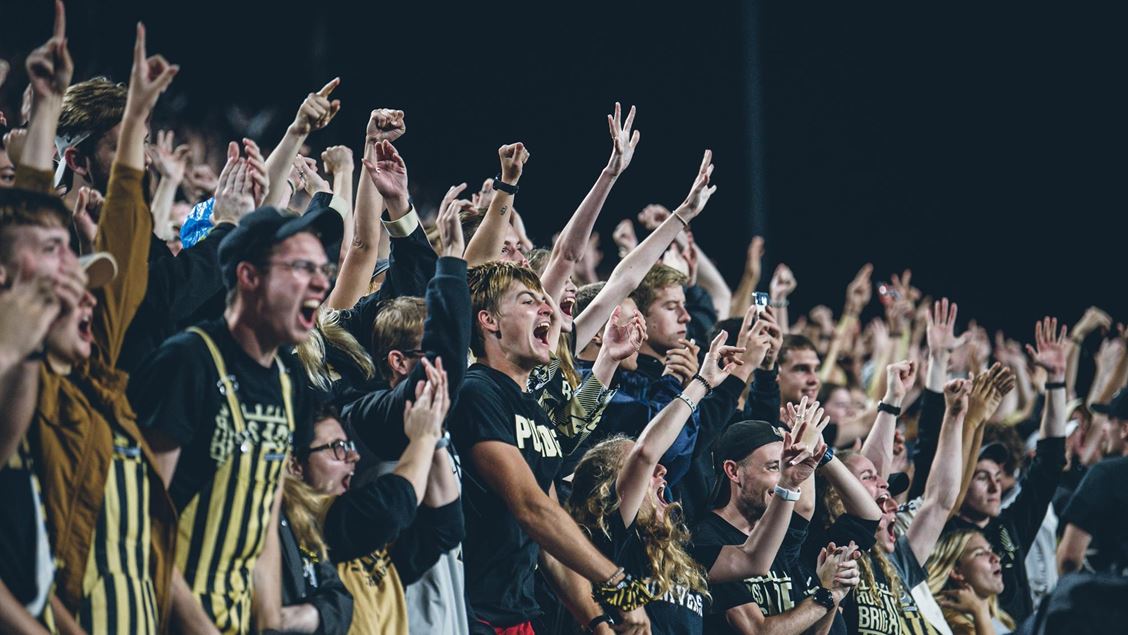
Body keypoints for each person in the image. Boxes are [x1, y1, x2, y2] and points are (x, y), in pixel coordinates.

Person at [131, 195, 342, 632]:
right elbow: (142, 520)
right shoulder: (188, 361)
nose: (321, 284)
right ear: (248, 276)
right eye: (301, 268)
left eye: (323, 270)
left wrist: (266, 623)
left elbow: (263, 513)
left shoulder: (288, 381)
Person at [450, 261, 649, 634]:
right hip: (469, 613)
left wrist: (597, 621)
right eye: (529, 301)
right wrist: (620, 585)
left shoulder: (535, 413)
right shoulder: (476, 393)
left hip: (517, 611)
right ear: (489, 321)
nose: (548, 309)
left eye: (546, 302)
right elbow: (531, 507)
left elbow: (551, 541)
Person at [294, 364, 462, 635]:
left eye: (349, 446)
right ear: (296, 466)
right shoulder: (311, 523)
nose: (353, 457)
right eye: (337, 448)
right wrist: (422, 437)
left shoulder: (365, 537)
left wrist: (437, 435)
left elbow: (444, 528)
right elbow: (393, 506)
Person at [696, 399, 879, 635]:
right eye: (774, 467)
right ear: (733, 471)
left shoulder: (779, 533)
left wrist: (832, 593)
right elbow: (758, 632)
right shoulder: (707, 540)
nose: (785, 475)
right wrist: (825, 595)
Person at [946, 318, 1068, 624]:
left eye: (998, 478)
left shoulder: (1008, 527)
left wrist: (1055, 382)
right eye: (982, 477)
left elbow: (1050, 464)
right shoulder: (944, 532)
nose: (994, 487)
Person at [1057, 390, 1128, 575]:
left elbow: (1069, 559)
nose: (1104, 428)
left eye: (1110, 420)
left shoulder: (1105, 474)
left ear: (1125, 429)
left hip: (1111, 597)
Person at [925, 530, 1015, 635]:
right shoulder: (953, 624)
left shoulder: (1001, 619)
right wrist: (979, 611)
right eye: (980, 553)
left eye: (991, 550)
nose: (996, 558)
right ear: (956, 571)